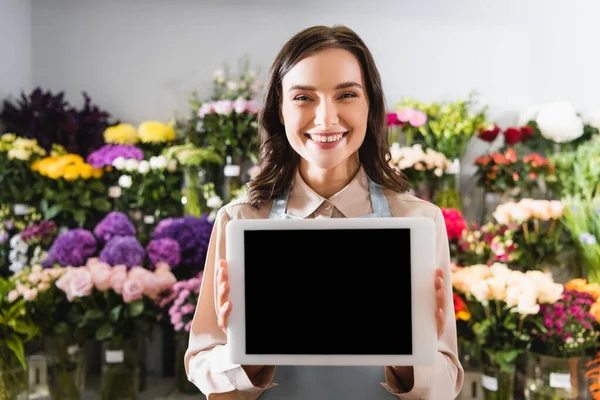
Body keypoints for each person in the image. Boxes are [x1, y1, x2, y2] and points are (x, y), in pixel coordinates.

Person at [185, 24, 463, 400]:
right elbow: (201, 365)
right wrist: (243, 355)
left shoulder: (419, 222)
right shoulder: (240, 221)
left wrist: (412, 353)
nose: (326, 119)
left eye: (347, 94)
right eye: (303, 98)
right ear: (280, 111)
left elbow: (446, 382)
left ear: (371, 106)